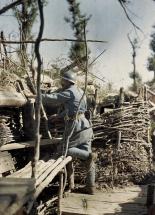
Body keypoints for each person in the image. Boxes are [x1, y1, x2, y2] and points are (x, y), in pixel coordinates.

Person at [42, 70, 96, 195]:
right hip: (86, 126)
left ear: (66, 81)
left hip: (75, 127)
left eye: (62, 80)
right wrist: (59, 116)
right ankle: (91, 187)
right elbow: (76, 108)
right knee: (88, 159)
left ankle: (88, 155)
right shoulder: (80, 91)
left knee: (63, 150)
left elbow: (54, 99)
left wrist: (39, 96)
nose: (61, 82)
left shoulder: (69, 91)